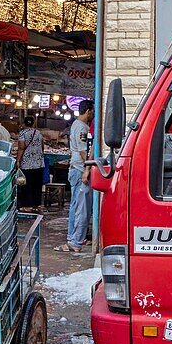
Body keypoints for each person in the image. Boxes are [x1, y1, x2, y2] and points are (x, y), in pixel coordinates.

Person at [56, 100, 95, 254]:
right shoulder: (81, 127)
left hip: (77, 169)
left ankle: (74, 237)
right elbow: (83, 151)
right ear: (88, 111)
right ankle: (75, 241)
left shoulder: (78, 125)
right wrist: (88, 167)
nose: (93, 115)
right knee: (80, 207)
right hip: (79, 170)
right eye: (92, 112)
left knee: (76, 206)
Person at [16, 116, 45, 212]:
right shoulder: (39, 133)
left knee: (27, 185)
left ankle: (28, 205)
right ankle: (37, 204)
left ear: (24, 123)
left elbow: (21, 147)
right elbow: (42, 147)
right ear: (33, 123)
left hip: (27, 164)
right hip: (39, 163)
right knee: (37, 184)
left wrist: (18, 161)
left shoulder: (23, 133)